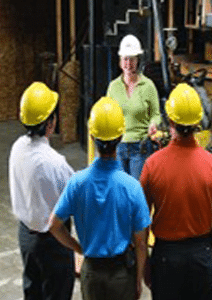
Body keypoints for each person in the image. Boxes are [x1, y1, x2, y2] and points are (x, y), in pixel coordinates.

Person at [48, 97, 151, 300]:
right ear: (120, 137)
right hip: (122, 274)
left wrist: (79, 248)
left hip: (92, 272)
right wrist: (138, 279)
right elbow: (141, 243)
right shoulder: (132, 187)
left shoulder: (77, 183)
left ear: (92, 136)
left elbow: (54, 225)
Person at [140, 83, 212, 300]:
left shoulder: (152, 165)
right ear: (198, 123)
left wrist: (143, 264)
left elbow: (142, 222)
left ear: (170, 121)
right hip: (202, 254)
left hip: (166, 257)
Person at [9, 82, 75, 299]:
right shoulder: (55, 163)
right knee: (57, 292)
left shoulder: (18, 147)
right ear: (50, 123)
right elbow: (76, 196)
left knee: (33, 290)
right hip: (52, 241)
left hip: (26, 236)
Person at [106, 34, 161, 180]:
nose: (128, 63)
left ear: (137, 61)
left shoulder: (148, 86)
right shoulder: (113, 87)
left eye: (132, 59)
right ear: (120, 61)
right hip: (119, 146)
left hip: (141, 147)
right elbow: (108, 114)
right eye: (125, 59)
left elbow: (156, 113)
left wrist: (153, 124)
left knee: (137, 190)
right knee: (120, 190)